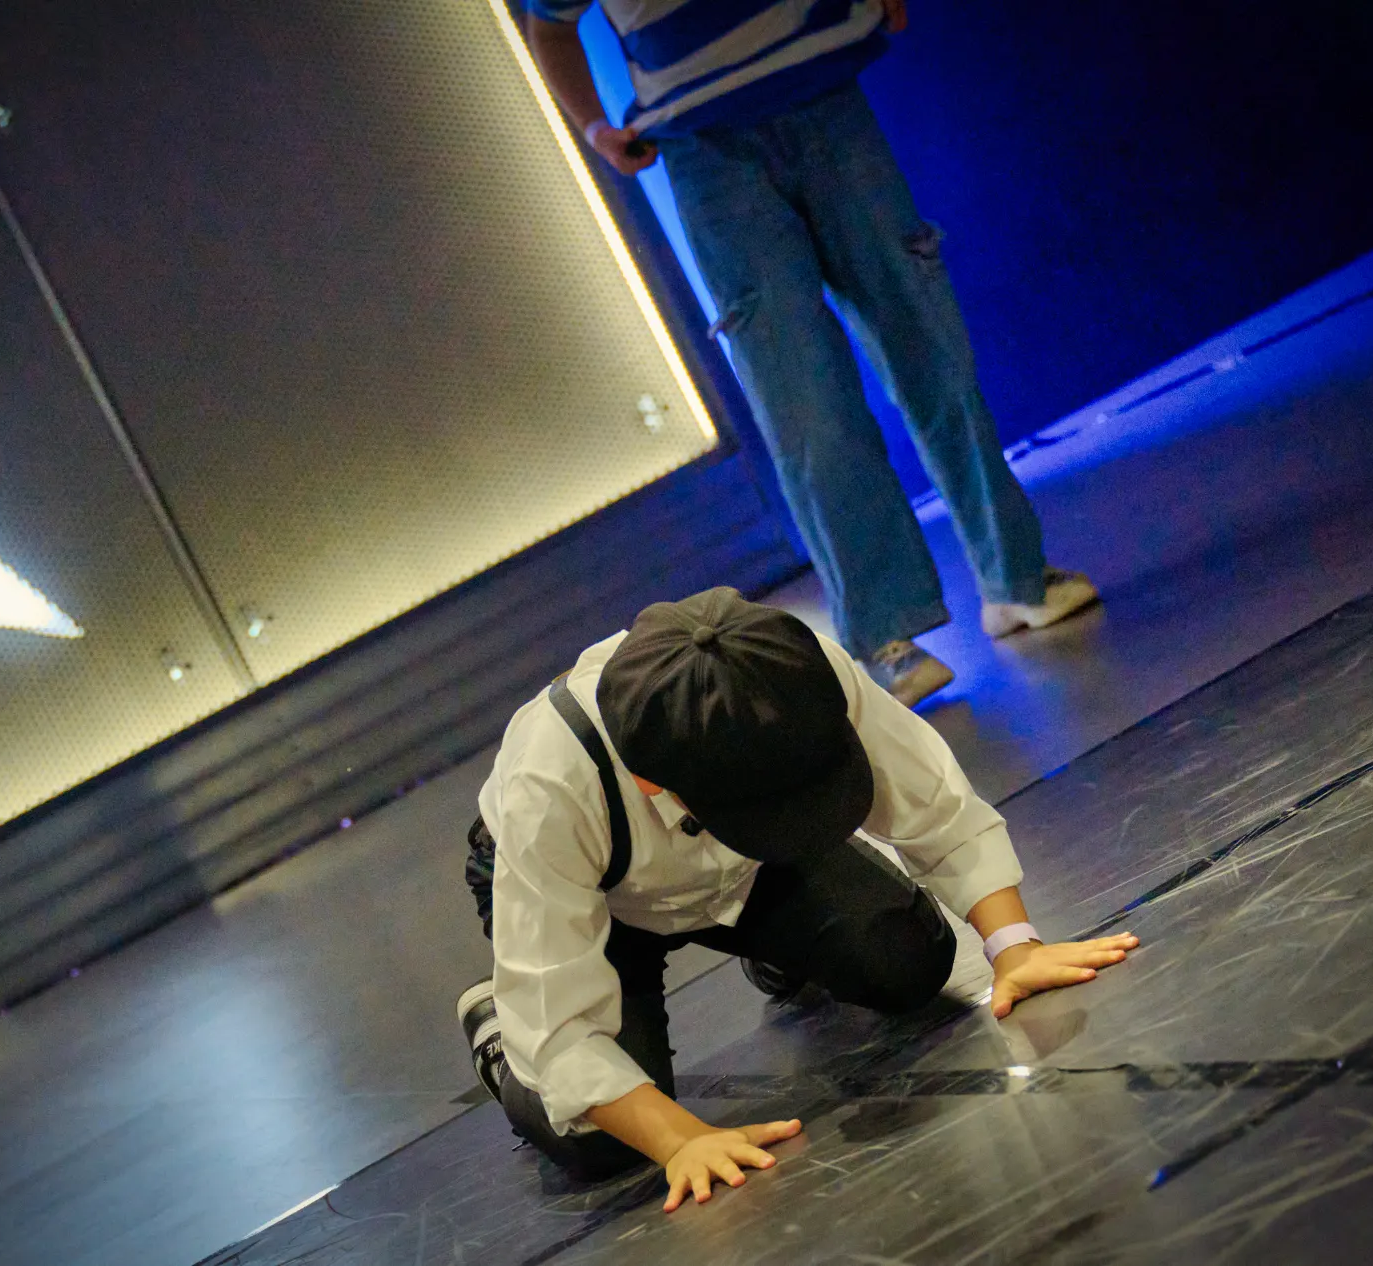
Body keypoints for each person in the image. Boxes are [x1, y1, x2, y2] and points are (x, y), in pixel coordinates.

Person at [456, 587, 1138, 1211]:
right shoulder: (551, 789)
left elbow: (932, 799)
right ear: (652, 783)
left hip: (753, 868)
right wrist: (681, 1140)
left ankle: (781, 951)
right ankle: (494, 1029)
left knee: (907, 963)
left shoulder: (789, 668)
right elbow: (558, 1031)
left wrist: (1014, 946)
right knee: (599, 1142)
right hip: (599, 907)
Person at [525, 0, 1099, 708]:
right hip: (708, 151)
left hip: (827, 95)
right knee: (804, 400)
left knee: (930, 351)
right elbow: (549, 23)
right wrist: (595, 129)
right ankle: (883, 634)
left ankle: (1017, 578)